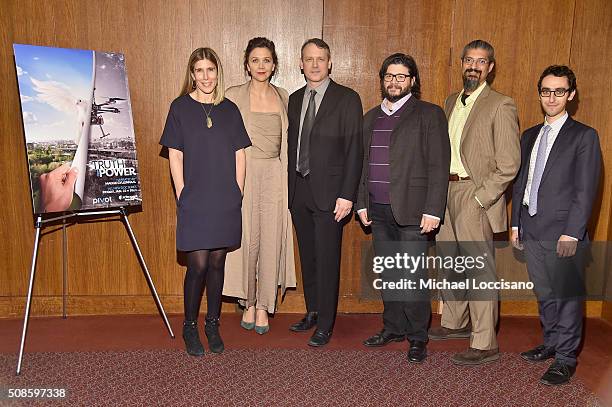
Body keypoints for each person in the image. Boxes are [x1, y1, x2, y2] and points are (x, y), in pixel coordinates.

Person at [428, 40, 520, 365]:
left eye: (481, 62)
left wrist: (482, 197)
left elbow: (509, 163)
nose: (474, 66)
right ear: (462, 62)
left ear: (490, 67)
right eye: (469, 60)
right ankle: (454, 322)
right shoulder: (451, 100)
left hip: (474, 193)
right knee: (450, 262)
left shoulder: (501, 104)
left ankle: (485, 342)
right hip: (447, 191)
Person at [357, 53, 450, 363]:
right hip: (378, 211)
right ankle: (393, 327)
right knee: (391, 274)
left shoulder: (429, 114)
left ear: (412, 81)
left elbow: (438, 166)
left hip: (413, 212)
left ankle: (417, 336)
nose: (394, 82)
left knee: (412, 276)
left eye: (401, 76)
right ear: (383, 80)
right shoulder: (371, 117)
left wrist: (433, 209)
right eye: (389, 76)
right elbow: (362, 165)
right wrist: (361, 203)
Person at [511, 65, 601, 385]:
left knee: (566, 297)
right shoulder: (530, 135)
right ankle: (551, 343)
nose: (552, 97)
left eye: (559, 91)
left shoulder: (584, 136)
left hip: (564, 232)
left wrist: (572, 233)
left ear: (571, 95)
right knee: (545, 293)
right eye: (546, 91)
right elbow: (522, 182)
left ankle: (565, 358)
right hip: (531, 227)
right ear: (540, 94)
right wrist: (515, 223)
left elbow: (585, 189)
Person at [159, 47, 251, 356]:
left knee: (217, 261)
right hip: (195, 197)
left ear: (217, 72)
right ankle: (189, 326)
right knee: (197, 264)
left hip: (225, 197)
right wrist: (182, 192)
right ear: (192, 74)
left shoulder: (230, 109)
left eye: (210, 70)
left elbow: (240, 152)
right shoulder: (180, 107)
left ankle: (213, 324)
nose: (205, 76)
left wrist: (238, 190)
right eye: (199, 71)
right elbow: (175, 154)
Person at [287, 38, 363, 347]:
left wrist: (348, 195)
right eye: (309, 59)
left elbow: (355, 150)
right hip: (299, 190)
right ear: (301, 63)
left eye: (321, 59)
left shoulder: (347, 98)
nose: (315, 64)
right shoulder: (293, 99)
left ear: (330, 63)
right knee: (308, 257)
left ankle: (327, 324)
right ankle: (313, 311)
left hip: (332, 195)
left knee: (328, 258)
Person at [223, 37, 296, 335]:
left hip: (275, 176)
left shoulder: (284, 96)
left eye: (266, 60)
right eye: (255, 60)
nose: (261, 65)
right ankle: (248, 301)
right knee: (246, 239)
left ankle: (264, 304)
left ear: (274, 64)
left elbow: (288, 144)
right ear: (246, 64)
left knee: (270, 239)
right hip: (242, 174)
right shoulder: (232, 96)